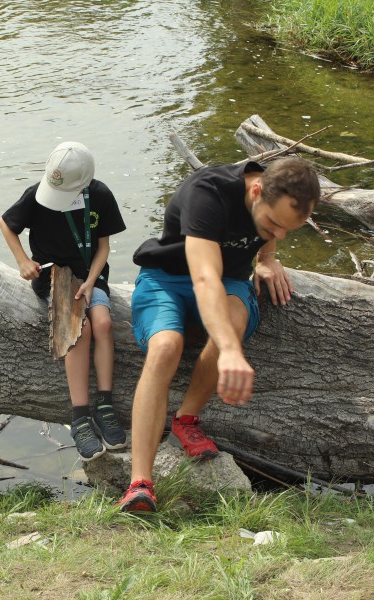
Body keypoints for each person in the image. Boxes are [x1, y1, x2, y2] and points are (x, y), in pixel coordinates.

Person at [119, 157, 320, 512]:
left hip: (229, 282)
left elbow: (235, 270)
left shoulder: (275, 194)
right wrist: (228, 350)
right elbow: (204, 278)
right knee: (166, 346)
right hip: (168, 276)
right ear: (256, 191)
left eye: (288, 231)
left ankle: (186, 421)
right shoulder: (208, 193)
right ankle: (139, 483)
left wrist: (267, 258)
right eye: (272, 224)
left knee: (233, 317)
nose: (278, 234)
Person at [0, 141, 128, 461]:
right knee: (77, 329)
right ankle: (80, 414)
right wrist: (22, 261)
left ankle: (106, 404)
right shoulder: (35, 195)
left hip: (89, 275)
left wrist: (91, 281)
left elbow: (103, 248)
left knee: (103, 322)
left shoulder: (99, 195)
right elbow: (6, 224)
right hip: (53, 277)